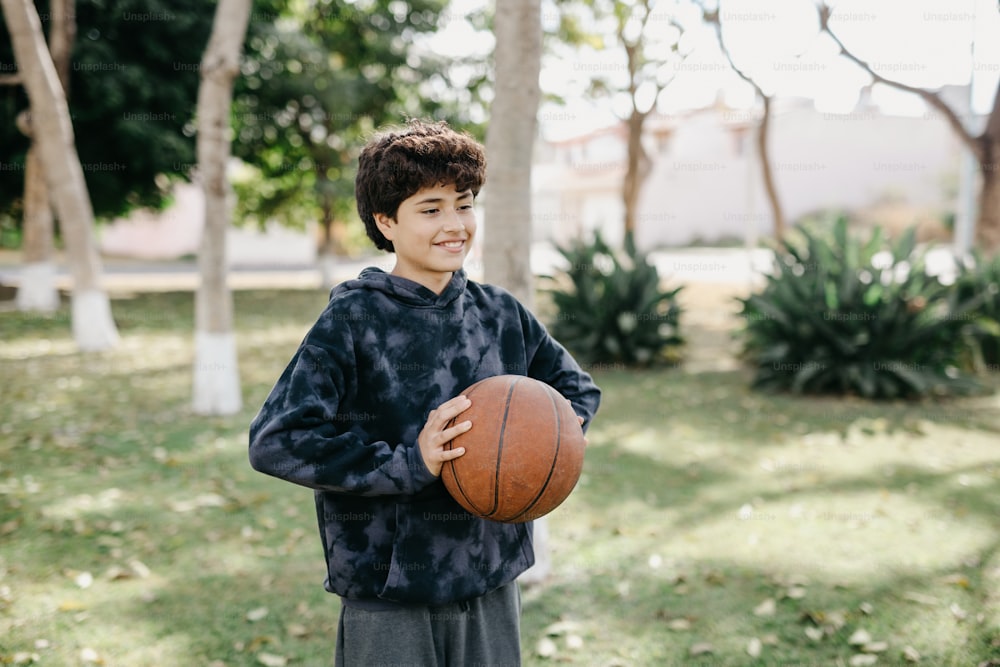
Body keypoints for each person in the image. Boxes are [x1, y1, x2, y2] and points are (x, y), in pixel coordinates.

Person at [248, 119, 601, 666]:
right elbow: (278, 439)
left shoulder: (500, 313)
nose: (454, 224)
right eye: (430, 209)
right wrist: (410, 462)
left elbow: (576, 394)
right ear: (385, 222)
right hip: (390, 587)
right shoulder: (353, 319)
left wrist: (535, 446)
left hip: (488, 574)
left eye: (463, 204)